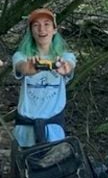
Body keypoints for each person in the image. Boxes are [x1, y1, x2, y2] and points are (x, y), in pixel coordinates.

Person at [11, 8, 77, 148]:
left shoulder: (66, 56)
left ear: (54, 29)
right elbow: (20, 66)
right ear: (31, 31)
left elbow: (69, 65)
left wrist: (64, 68)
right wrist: (28, 68)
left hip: (53, 128)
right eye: (36, 25)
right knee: (23, 168)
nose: (42, 29)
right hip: (25, 128)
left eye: (47, 24)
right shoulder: (21, 56)